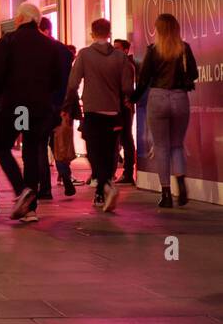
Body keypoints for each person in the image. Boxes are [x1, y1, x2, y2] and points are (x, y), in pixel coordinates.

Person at [0, 2, 68, 222]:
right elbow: (57, 79)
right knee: (32, 151)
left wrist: (0, 95)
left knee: (1, 146)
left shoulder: (9, 41)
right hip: (41, 107)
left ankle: (22, 190)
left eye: (16, 16)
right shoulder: (50, 46)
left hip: (19, 107)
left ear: (21, 19)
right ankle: (30, 208)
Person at [65, 17, 134, 213]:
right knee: (109, 151)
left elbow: (72, 84)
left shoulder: (85, 55)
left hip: (93, 110)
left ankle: (104, 186)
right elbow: (128, 87)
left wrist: (68, 104)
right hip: (114, 111)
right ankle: (102, 190)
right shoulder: (120, 57)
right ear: (109, 33)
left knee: (94, 152)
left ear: (92, 33)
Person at [134, 12, 198, 209]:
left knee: (161, 147)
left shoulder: (153, 50)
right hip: (180, 98)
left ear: (158, 30)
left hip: (158, 98)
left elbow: (144, 78)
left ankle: (166, 194)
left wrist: (134, 99)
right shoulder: (184, 49)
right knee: (177, 145)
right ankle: (181, 183)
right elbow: (194, 74)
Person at [38, 17, 75, 197]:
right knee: (58, 144)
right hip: (60, 105)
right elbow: (69, 82)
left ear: (43, 29)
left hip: (42, 105)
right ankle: (65, 176)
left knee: (39, 145)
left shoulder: (39, 50)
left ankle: (45, 188)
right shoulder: (64, 51)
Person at [114, 38, 138, 183]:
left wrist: (127, 100)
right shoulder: (120, 65)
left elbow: (127, 88)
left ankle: (128, 172)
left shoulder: (127, 66)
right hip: (119, 106)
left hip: (124, 107)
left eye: (117, 48)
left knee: (126, 138)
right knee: (123, 139)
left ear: (125, 50)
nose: (114, 51)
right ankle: (126, 172)